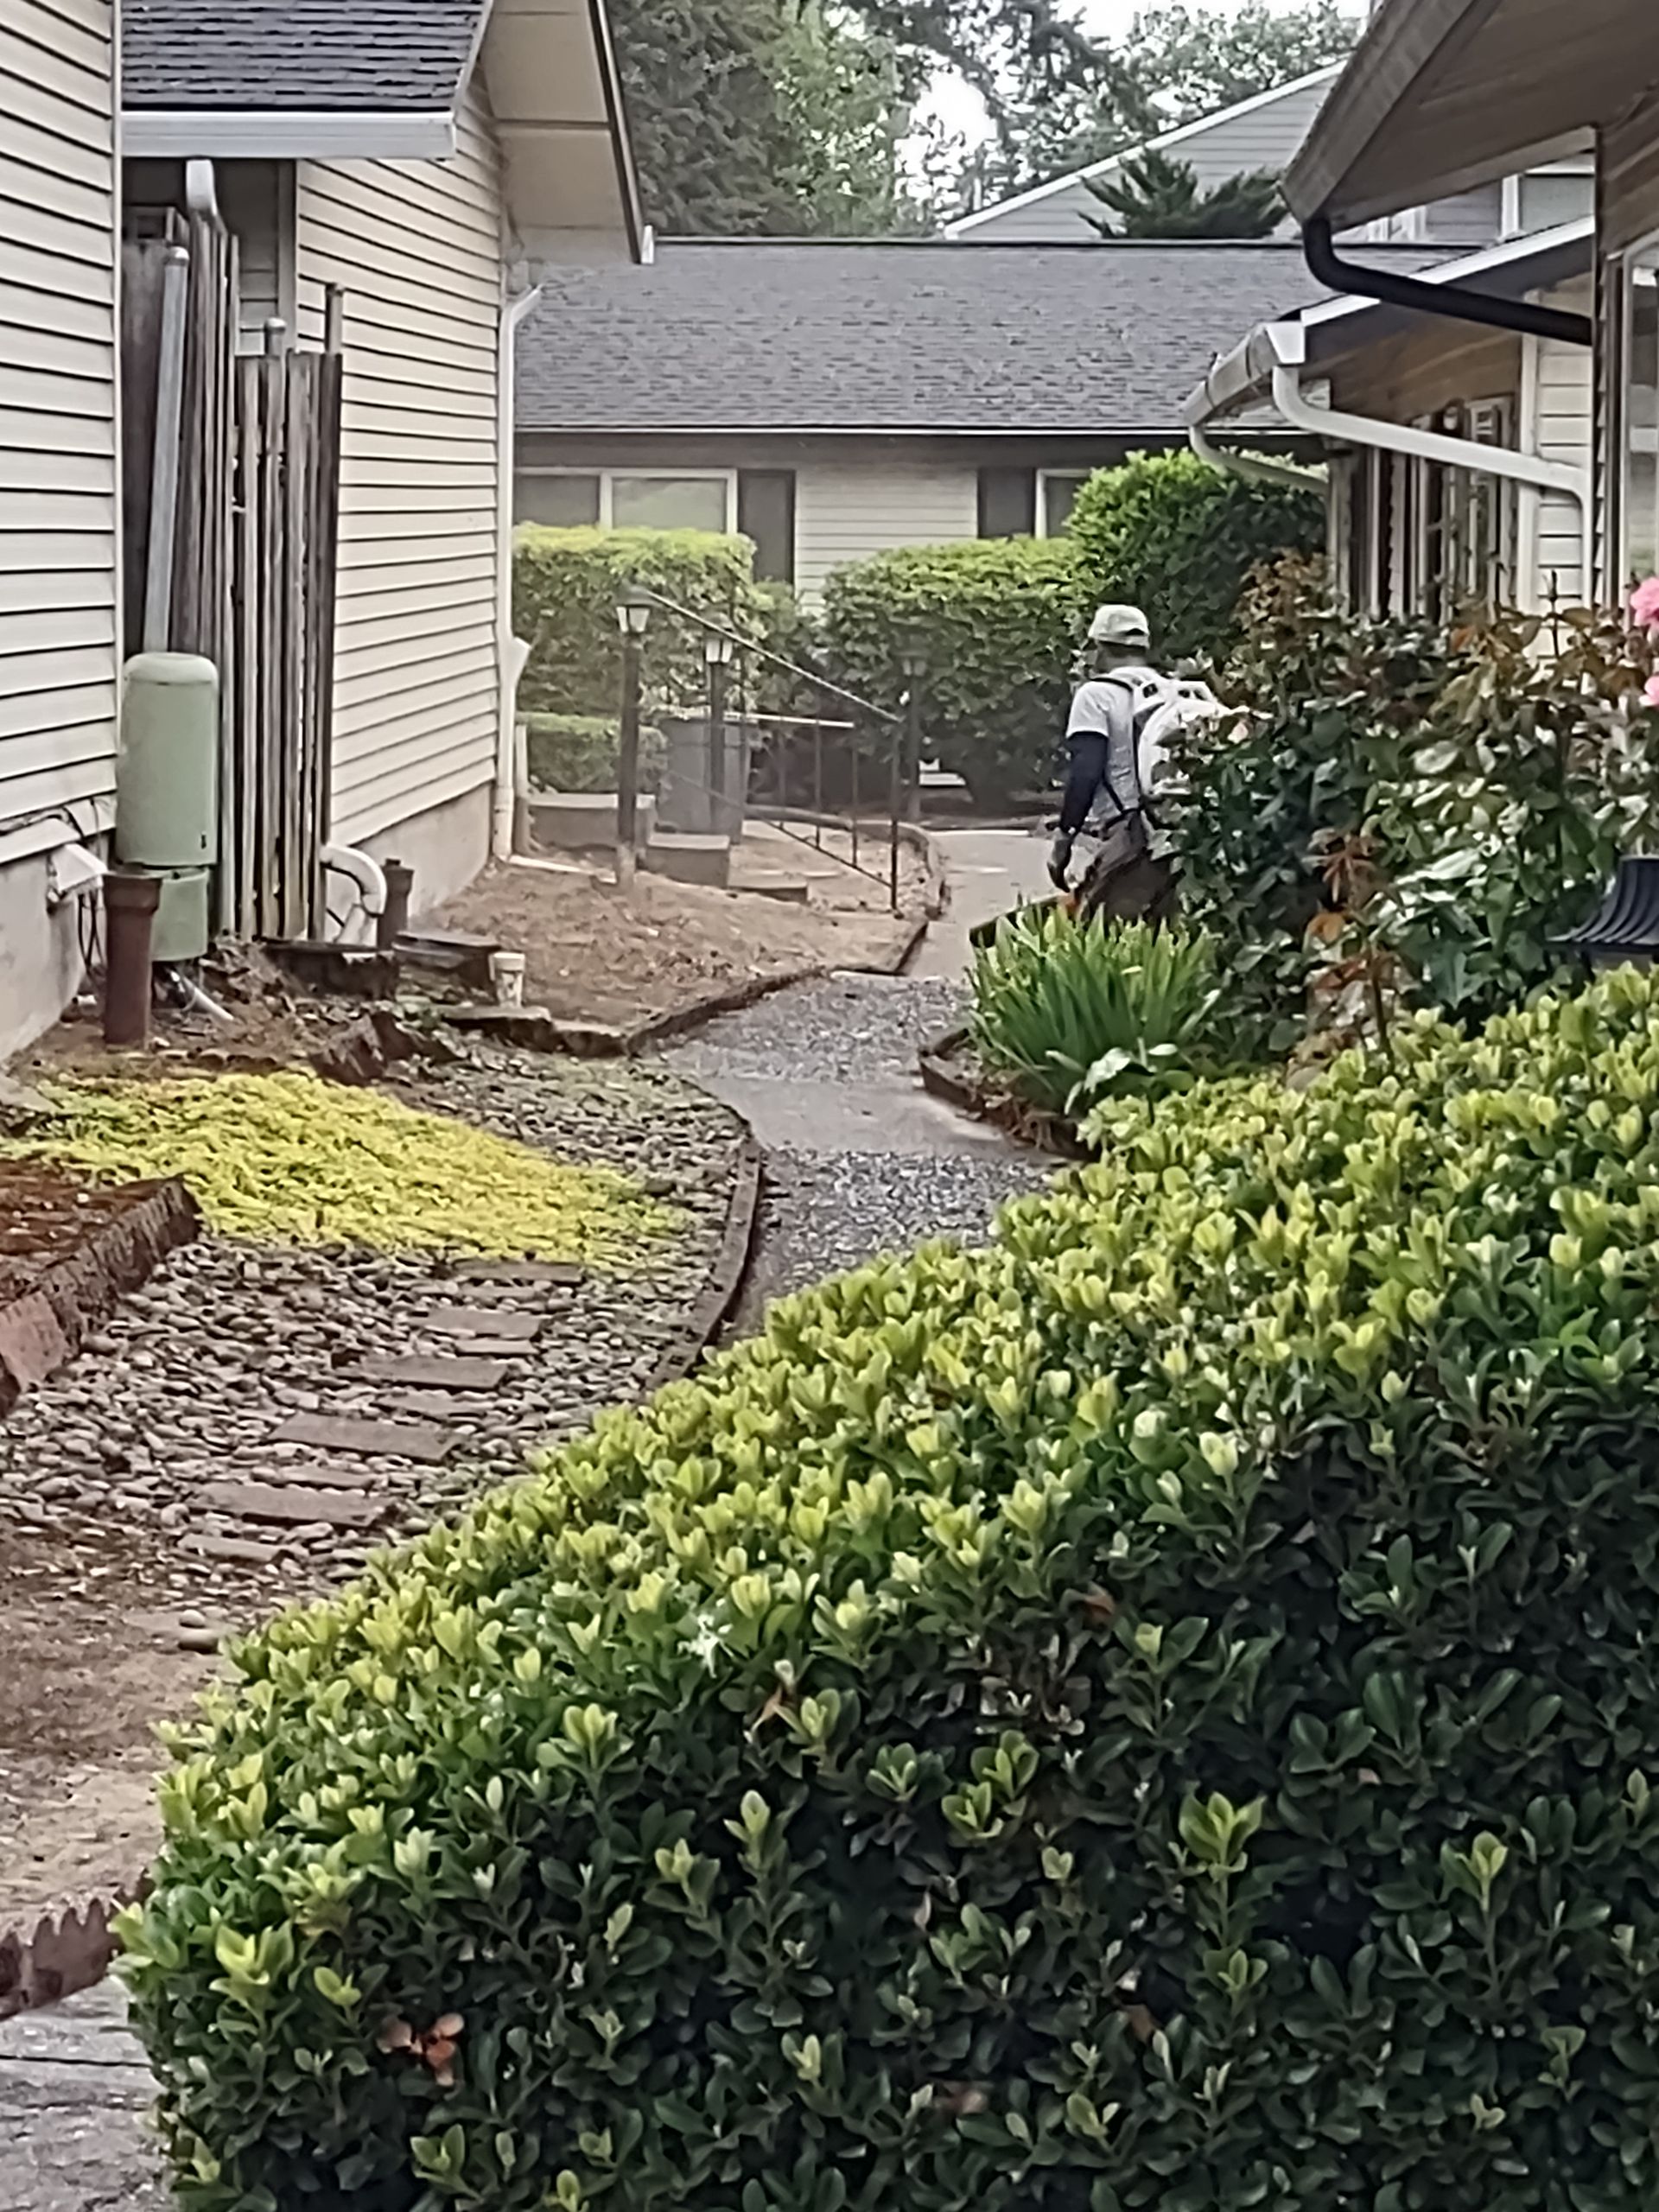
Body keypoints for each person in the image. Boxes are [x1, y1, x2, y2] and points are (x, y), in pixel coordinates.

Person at [1047, 603, 1180, 925]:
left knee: (1098, 937)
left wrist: (1064, 839)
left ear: (1099, 647)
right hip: (1176, 832)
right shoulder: (1169, 690)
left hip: (1130, 832)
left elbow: (1087, 770)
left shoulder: (1095, 695)